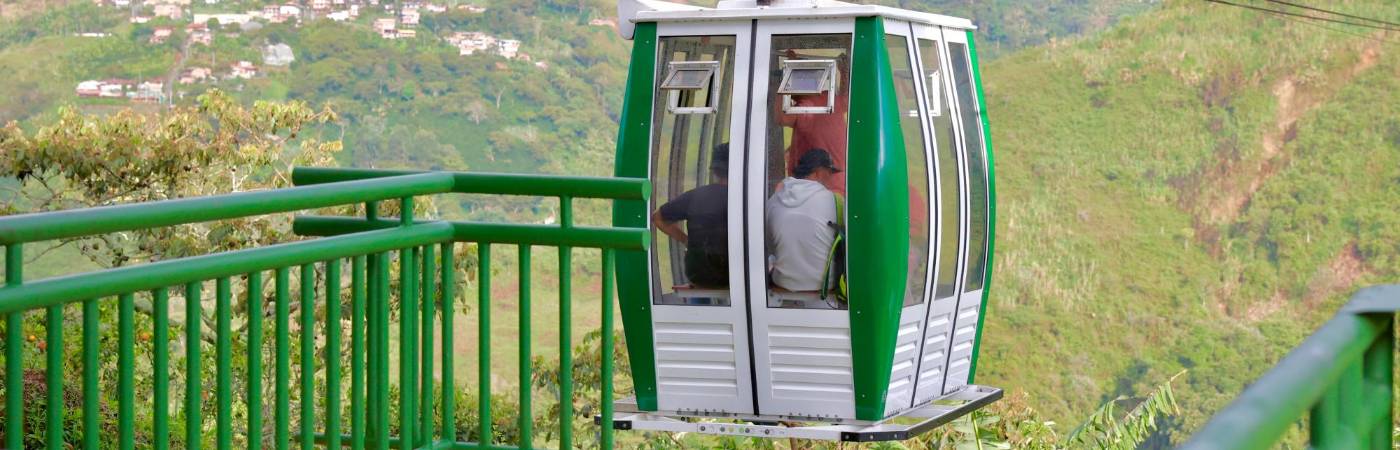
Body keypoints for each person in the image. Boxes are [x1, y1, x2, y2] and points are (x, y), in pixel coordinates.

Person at [653, 144, 730, 288]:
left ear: (714, 172)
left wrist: (686, 240)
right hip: (734, 273)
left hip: (699, 275)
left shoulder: (695, 196)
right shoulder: (745, 199)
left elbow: (658, 217)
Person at [766, 148, 842, 292]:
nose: (832, 178)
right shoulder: (835, 201)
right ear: (818, 172)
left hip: (783, 282)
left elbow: (769, 245)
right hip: (825, 285)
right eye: (830, 173)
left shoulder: (774, 200)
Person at [775, 52, 850, 195]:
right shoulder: (830, 99)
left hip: (816, 187)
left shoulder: (806, 108)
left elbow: (781, 118)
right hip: (841, 180)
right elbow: (847, 98)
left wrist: (784, 81)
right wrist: (845, 71)